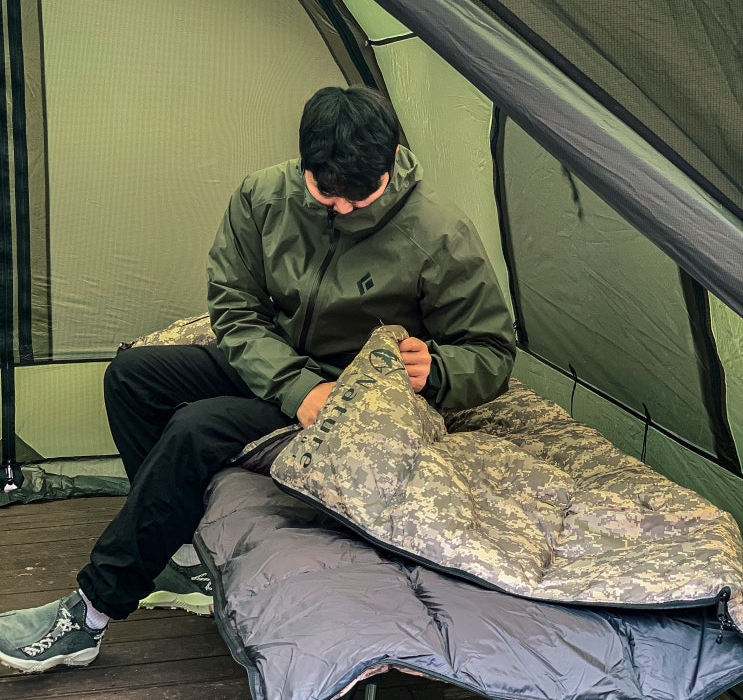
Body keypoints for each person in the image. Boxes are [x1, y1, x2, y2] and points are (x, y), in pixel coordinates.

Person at [0, 85, 515, 673]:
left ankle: (89, 614)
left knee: (196, 429)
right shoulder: (263, 197)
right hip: (285, 369)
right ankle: (180, 558)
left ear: (393, 160)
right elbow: (236, 308)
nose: (345, 209)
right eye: (327, 194)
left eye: (361, 196)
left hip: (355, 402)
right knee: (131, 377)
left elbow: (492, 350)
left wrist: (440, 368)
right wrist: (296, 387)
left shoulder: (439, 233)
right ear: (304, 165)